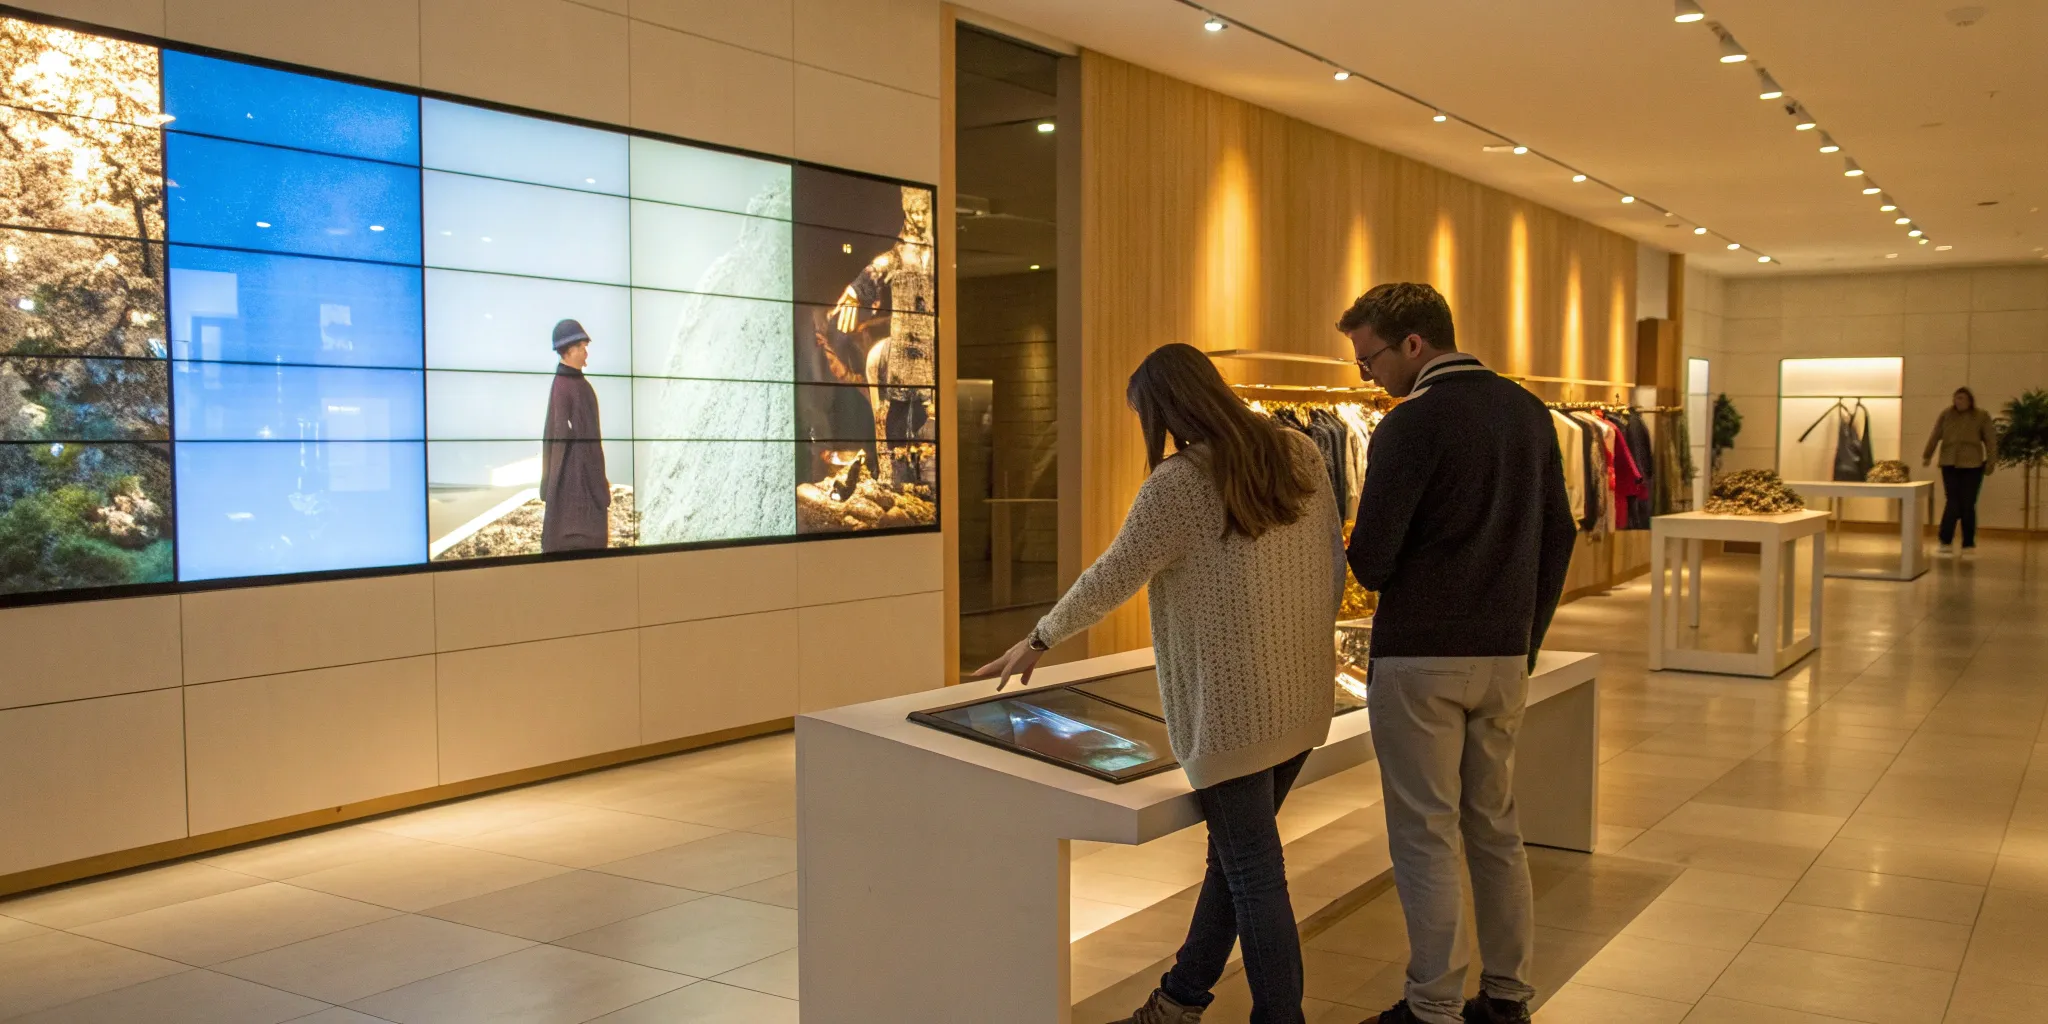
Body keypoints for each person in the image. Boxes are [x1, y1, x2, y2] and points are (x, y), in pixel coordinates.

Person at [976, 343, 1344, 1024]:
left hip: (1233, 715)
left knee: (1254, 874)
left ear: (1165, 410)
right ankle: (1177, 1002)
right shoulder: (1299, 453)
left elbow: (1113, 575)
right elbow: (1332, 558)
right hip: (1301, 699)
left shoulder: (1179, 482)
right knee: (1236, 866)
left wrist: (1039, 639)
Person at [1338, 284, 1576, 1024]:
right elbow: (1559, 535)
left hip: (1421, 658)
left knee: (1425, 830)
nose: (1366, 375)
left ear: (1414, 345)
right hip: (1503, 653)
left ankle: (1433, 1004)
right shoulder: (1528, 411)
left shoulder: (1410, 425)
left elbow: (1373, 560)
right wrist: (1525, 641)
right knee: (1496, 826)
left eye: (1369, 357)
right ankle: (1507, 997)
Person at [540, 318, 610, 552]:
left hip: (581, 478)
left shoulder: (573, 384)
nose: (586, 353)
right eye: (581, 347)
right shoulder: (567, 386)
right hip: (578, 481)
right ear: (569, 351)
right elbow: (559, 439)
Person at [1923, 386, 1996, 554]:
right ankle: (1945, 540)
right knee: (1953, 502)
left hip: (1973, 465)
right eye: (1956, 398)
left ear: (1970, 401)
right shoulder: (1946, 415)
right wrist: (1927, 454)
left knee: (1968, 503)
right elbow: (1935, 435)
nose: (1958, 401)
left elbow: (1991, 440)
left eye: (1962, 398)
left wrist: (1991, 462)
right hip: (1949, 463)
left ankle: (1968, 543)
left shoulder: (1981, 416)